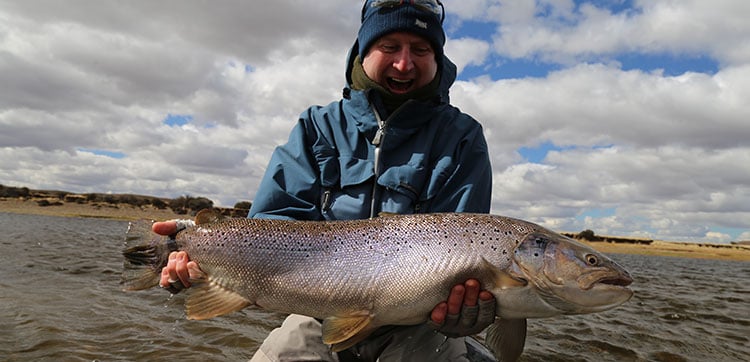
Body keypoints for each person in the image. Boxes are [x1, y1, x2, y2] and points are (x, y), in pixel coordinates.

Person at [154, 0, 497, 360]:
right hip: (315, 313)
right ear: (362, 54)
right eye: (389, 47)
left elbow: (466, 245)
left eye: (421, 49)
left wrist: (470, 314)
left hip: (419, 325)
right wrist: (196, 243)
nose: (404, 63)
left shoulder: (462, 137)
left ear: (437, 59)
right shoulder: (317, 126)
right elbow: (272, 224)